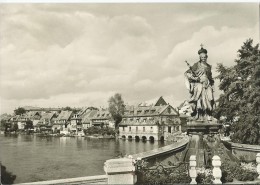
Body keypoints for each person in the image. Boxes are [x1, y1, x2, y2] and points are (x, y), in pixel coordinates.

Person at [184, 45, 214, 121]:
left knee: (210, 99)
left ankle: (208, 114)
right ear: (200, 58)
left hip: (207, 84)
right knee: (200, 100)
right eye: (202, 57)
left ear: (207, 57)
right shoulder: (196, 65)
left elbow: (210, 76)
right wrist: (196, 79)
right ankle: (200, 115)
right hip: (199, 85)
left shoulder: (208, 66)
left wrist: (211, 83)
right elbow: (187, 74)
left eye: (205, 57)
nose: (203, 58)